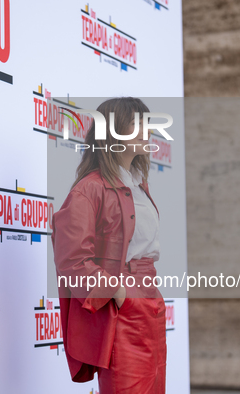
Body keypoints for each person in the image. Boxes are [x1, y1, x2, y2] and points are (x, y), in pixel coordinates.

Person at [51, 97, 166, 393]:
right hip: (123, 310)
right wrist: (118, 292)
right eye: (135, 123)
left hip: (151, 303)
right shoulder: (89, 189)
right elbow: (72, 260)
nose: (146, 130)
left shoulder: (138, 184)